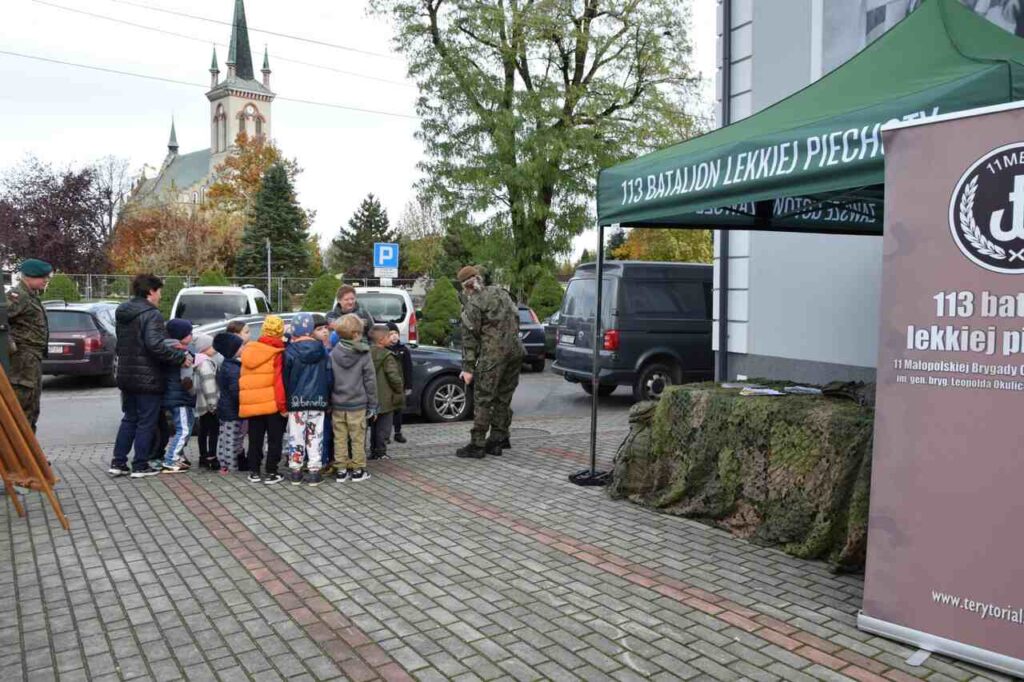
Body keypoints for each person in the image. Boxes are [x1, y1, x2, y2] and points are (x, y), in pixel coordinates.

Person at [109, 274, 190, 478]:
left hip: (127, 375)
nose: (160, 296)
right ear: (151, 291)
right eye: (159, 291)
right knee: (147, 421)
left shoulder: (124, 313)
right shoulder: (151, 314)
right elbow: (155, 345)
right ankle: (140, 465)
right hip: (148, 377)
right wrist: (179, 357)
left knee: (129, 419)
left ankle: (118, 462)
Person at [454, 265, 524, 459]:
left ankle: (477, 444)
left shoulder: (473, 304)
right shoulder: (502, 293)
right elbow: (517, 317)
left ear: (466, 287)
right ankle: (498, 440)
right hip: (515, 352)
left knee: (483, 399)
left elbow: (469, 340)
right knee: (503, 397)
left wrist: (467, 368)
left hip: (493, 357)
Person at [284, 313, 332, 486]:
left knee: (296, 434)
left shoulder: (289, 351)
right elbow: (328, 375)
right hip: (318, 398)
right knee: (315, 434)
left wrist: (287, 399)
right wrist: (328, 397)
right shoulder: (322, 350)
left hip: (296, 400)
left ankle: (296, 470)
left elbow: (286, 378)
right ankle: (314, 470)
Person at [239, 314, 287, 484]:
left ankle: (254, 471)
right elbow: (279, 382)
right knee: (274, 439)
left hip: (253, 405)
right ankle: (272, 472)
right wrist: (283, 406)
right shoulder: (278, 353)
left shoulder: (249, 350)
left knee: (255, 438)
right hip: (272, 403)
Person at [5, 259, 52, 432]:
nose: (46, 280)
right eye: (43, 277)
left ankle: (31, 456)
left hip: (32, 358)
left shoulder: (31, 295)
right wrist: (10, 343)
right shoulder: (19, 296)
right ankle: (21, 457)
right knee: (23, 407)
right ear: (29, 277)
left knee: (32, 407)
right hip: (23, 359)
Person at [329, 314, 376, 482]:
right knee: (357, 437)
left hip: (338, 403)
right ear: (356, 334)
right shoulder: (364, 353)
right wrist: (373, 404)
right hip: (358, 403)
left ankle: (341, 469)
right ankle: (358, 469)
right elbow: (370, 380)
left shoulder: (334, 353)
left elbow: (330, 378)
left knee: (339, 437)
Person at [160, 319, 196, 474]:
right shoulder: (178, 352)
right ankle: (171, 459)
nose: (192, 336)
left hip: (180, 396)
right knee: (184, 429)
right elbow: (186, 379)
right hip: (178, 397)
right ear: (181, 335)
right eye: (189, 333)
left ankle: (178, 455)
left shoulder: (172, 350)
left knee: (188, 425)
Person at [369, 325, 405, 461]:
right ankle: (380, 452)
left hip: (371, 396)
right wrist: (399, 389)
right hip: (385, 397)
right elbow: (393, 377)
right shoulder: (387, 356)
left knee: (373, 426)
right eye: (389, 335)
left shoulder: (366, 352)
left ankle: (373, 450)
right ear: (382, 339)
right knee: (384, 427)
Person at [213, 332, 245, 474]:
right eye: (241, 346)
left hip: (225, 408)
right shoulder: (233, 368)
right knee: (231, 439)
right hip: (232, 410)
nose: (243, 347)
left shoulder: (226, 365)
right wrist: (242, 404)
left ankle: (223, 464)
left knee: (224, 437)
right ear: (233, 350)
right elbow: (235, 391)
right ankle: (231, 467)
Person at [192, 333, 220, 470]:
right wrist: (213, 404)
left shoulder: (197, 361)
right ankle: (212, 457)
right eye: (212, 345)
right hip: (209, 404)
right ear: (205, 348)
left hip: (201, 404)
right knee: (213, 430)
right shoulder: (206, 363)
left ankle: (203, 456)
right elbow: (209, 385)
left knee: (203, 430)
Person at [386, 322, 412, 444]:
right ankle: (386, 435)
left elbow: (408, 369)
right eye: (391, 334)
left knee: (398, 410)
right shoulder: (384, 350)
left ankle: (398, 432)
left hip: (399, 385)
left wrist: (408, 385)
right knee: (387, 411)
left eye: (396, 333)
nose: (394, 336)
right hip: (386, 386)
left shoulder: (403, 350)